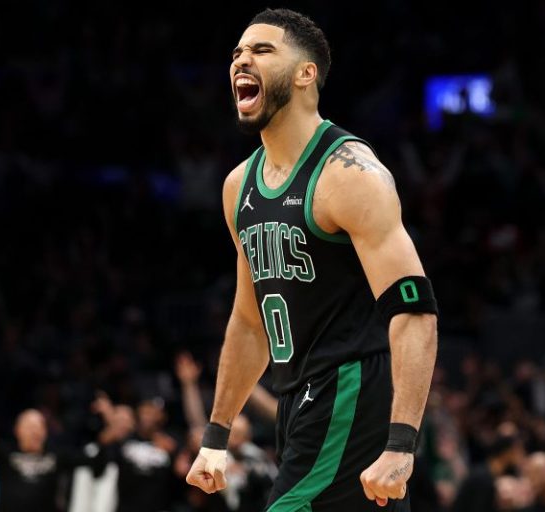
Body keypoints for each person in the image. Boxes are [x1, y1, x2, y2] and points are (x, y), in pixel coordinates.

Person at [185, 8, 438, 511]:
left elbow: (414, 311)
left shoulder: (349, 174)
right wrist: (216, 434)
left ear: (306, 74)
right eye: (237, 52)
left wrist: (401, 443)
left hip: (349, 391)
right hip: (296, 401)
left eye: (262, 50)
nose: (241, 60)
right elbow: (250, 321)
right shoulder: (238, 186)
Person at [0, 373, 126, 512]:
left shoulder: (57, 455)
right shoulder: (5, 452)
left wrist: (106, 439)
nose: (34, 432)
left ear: (45, 432)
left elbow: (96, 466)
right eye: (28, 427)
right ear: (17, 430)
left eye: (38, 427)